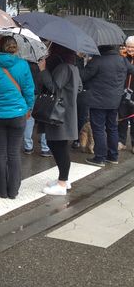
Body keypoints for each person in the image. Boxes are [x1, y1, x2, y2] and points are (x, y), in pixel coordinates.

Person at [0, 35, 35, 199]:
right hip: (18, 113)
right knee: (14, 153)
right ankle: (13, 190)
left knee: (0, 152)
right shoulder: (23, 65)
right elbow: (29, 89)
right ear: (15, 48)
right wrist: (29, 108)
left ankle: (1, 190)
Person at [38, 44, 82, 196]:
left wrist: (43, 70)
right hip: (67, 111)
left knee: (59, 145)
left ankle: (62, 182)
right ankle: (63, 179)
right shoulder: (73, 67)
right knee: (57, 144)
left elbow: (53, 87)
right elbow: (79, 87)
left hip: (59, 113)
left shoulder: (63, 67)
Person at [82, 45, 131, 166]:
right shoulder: (123, 60)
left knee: (98, 129)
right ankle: (113, 156)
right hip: (115, 101)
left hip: (98, 101)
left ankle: (100, 158)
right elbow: (132, 70)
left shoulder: (97, 61)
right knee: (112, 128)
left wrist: (83, 62)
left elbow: (83, 76)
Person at [23, 59, 51, 157]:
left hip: (29, 94)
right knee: (44, 120)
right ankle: (45, 148)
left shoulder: (25, 65)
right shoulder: (42, 65)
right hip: (42, 95)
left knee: (29, 120)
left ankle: (28, 147)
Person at [118, 36, 134, 152]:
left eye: (132, 47)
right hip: (123, 91)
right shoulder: (122, 57)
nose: (129, 49)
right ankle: (121, 141)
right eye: (128, 46)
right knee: (122, 117)